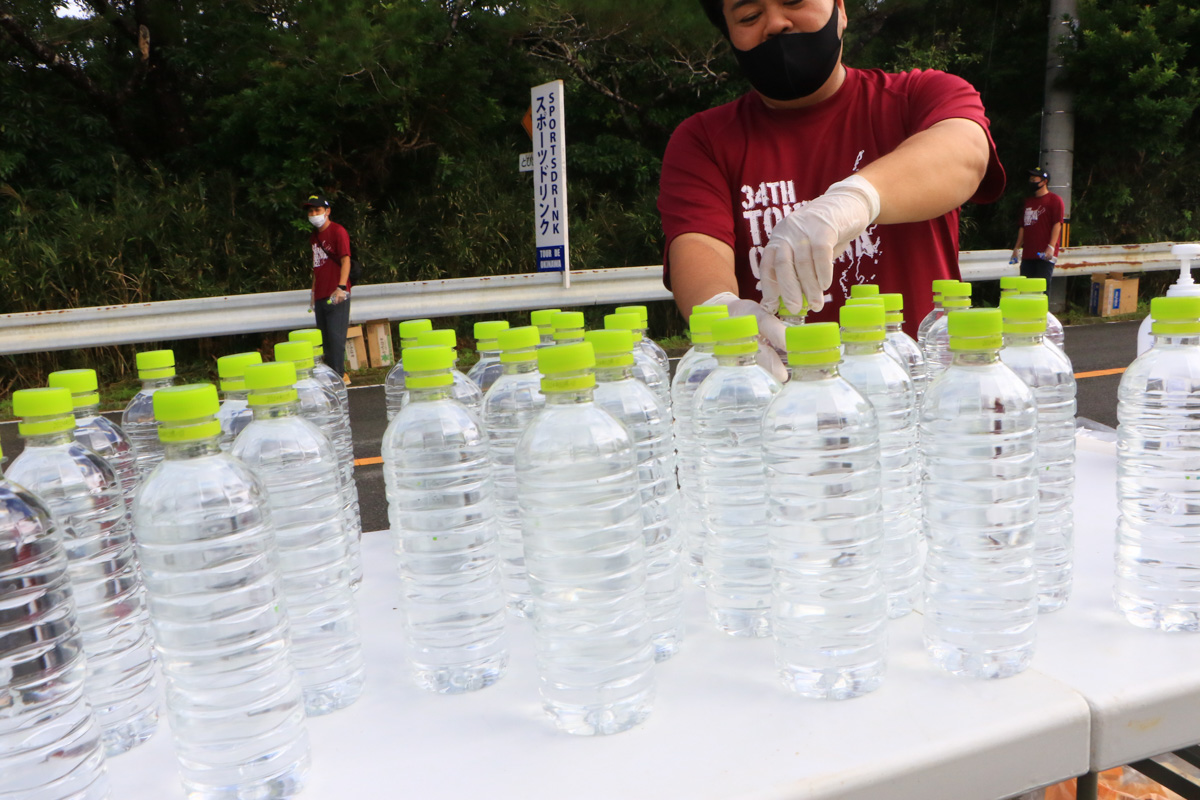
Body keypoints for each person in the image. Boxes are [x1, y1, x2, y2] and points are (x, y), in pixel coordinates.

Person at [658, 0, 1006, 372]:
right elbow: (697, 246)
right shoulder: (704, 139)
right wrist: (720, 311)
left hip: (913, 395)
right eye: (749, 16)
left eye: (793, 1)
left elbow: (964, 152)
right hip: (778, 401)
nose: (775, 24)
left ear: (840, 10)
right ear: (729, 36)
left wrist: (855, 200)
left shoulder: (919, 96)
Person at [303, 194, 353, 382]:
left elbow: (345, 259)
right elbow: (317, 265)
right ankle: (334, 375)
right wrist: (313, 291)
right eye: (311, 211)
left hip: (336, 293)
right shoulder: (314, 237)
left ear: (327, 211)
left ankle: (339, 377)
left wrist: (341, 287)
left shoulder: (337, 231)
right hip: (321, 293)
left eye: (317, 210)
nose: (314, 214)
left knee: (335, 335)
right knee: (324, 339)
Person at [1010, 167, 1065, 282]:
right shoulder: (1028, 202)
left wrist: (1051, 246)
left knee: (1041, 291)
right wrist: (1016, 247)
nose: (1031, 181)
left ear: (1044, 182)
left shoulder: (1054, 200)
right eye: (1030, 179)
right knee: (1025, 290)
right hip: (1028, 254)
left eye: (1034, 179)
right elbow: (1023, 226)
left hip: (1044, 255)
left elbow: (1057, 224)